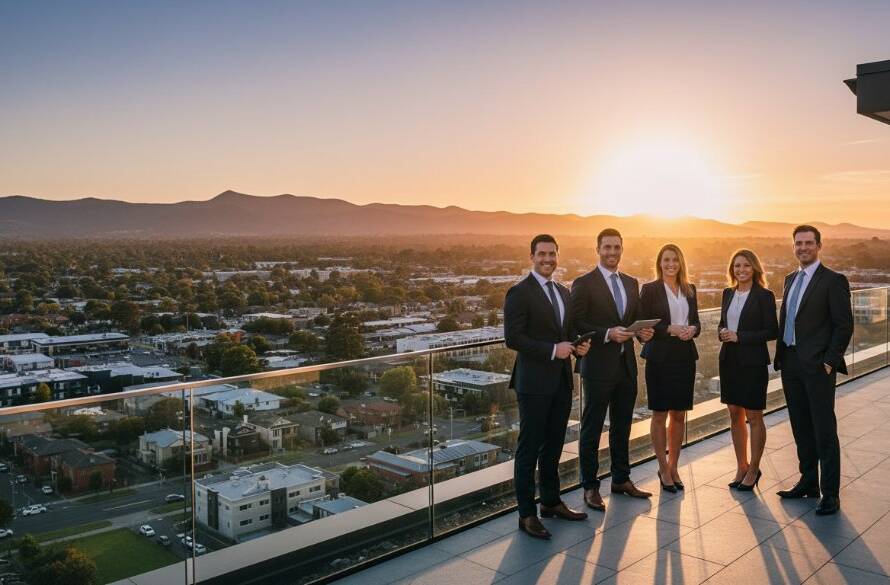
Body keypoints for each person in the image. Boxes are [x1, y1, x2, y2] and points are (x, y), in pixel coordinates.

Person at [504, 234, 592, 539]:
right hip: (533, 384)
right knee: (529, 449)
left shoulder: (562, 291)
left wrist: (578, 347)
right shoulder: (519, 292)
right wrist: (555, 350)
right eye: (542, 254)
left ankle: (551, 503)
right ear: (531, 256)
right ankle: (526, 514)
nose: (548, 259)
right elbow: (513, 338)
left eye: (552, 254)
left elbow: (566, 332)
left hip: (561, 382)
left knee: (554, 445)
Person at [571, 228, 655, 511]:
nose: (612, 253)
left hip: (626, 366)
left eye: (616, 247)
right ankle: (590, 487)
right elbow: (576, 323)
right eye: (607, 247)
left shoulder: (631, 283)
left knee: (622, 426)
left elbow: (636, 319)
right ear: (598, 249)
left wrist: (643, 333)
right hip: (597, 367)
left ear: (622, 248)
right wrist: (607, 333)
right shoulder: (583, 283)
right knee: (592, 428)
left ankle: (621, 479)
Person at [774, 225, 853, 515]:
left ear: (819, 245)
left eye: (808, 243)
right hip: (791, 363)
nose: (803, 247)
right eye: (798, 243)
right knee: (800, 427)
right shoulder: (789, 279)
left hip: (819, 366)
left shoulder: (833, 281)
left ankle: (830, 494)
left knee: (824, 430)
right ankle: (809, 482)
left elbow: (843, 325)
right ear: (793, 246)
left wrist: (830, 361)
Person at [639, 244, 701, 492]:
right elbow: (644, 325)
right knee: (660, 414)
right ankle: (663, 467)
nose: (670, 264)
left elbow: (696, 321)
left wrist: (693, 329)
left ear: (681, 262)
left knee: (679, 414)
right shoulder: (650, 290)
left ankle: (674, 466)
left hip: (685, 357)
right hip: (659, 358)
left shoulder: (690, 289)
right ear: (659, 263)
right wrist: (670, 328)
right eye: (666, 260)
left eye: (674, 259)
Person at [718, 249, 778, 491]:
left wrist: (739, 336)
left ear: (754, 268)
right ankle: (741, 466)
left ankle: (754, 468)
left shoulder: (764, 296)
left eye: (745, 266)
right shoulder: (727, 293)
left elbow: (771, 331)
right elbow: (723, 323)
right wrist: (722, 331)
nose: (740, 270)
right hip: (729, 361)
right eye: (736, 266)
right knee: (734, 414)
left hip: (752, 363)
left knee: (754, 416)